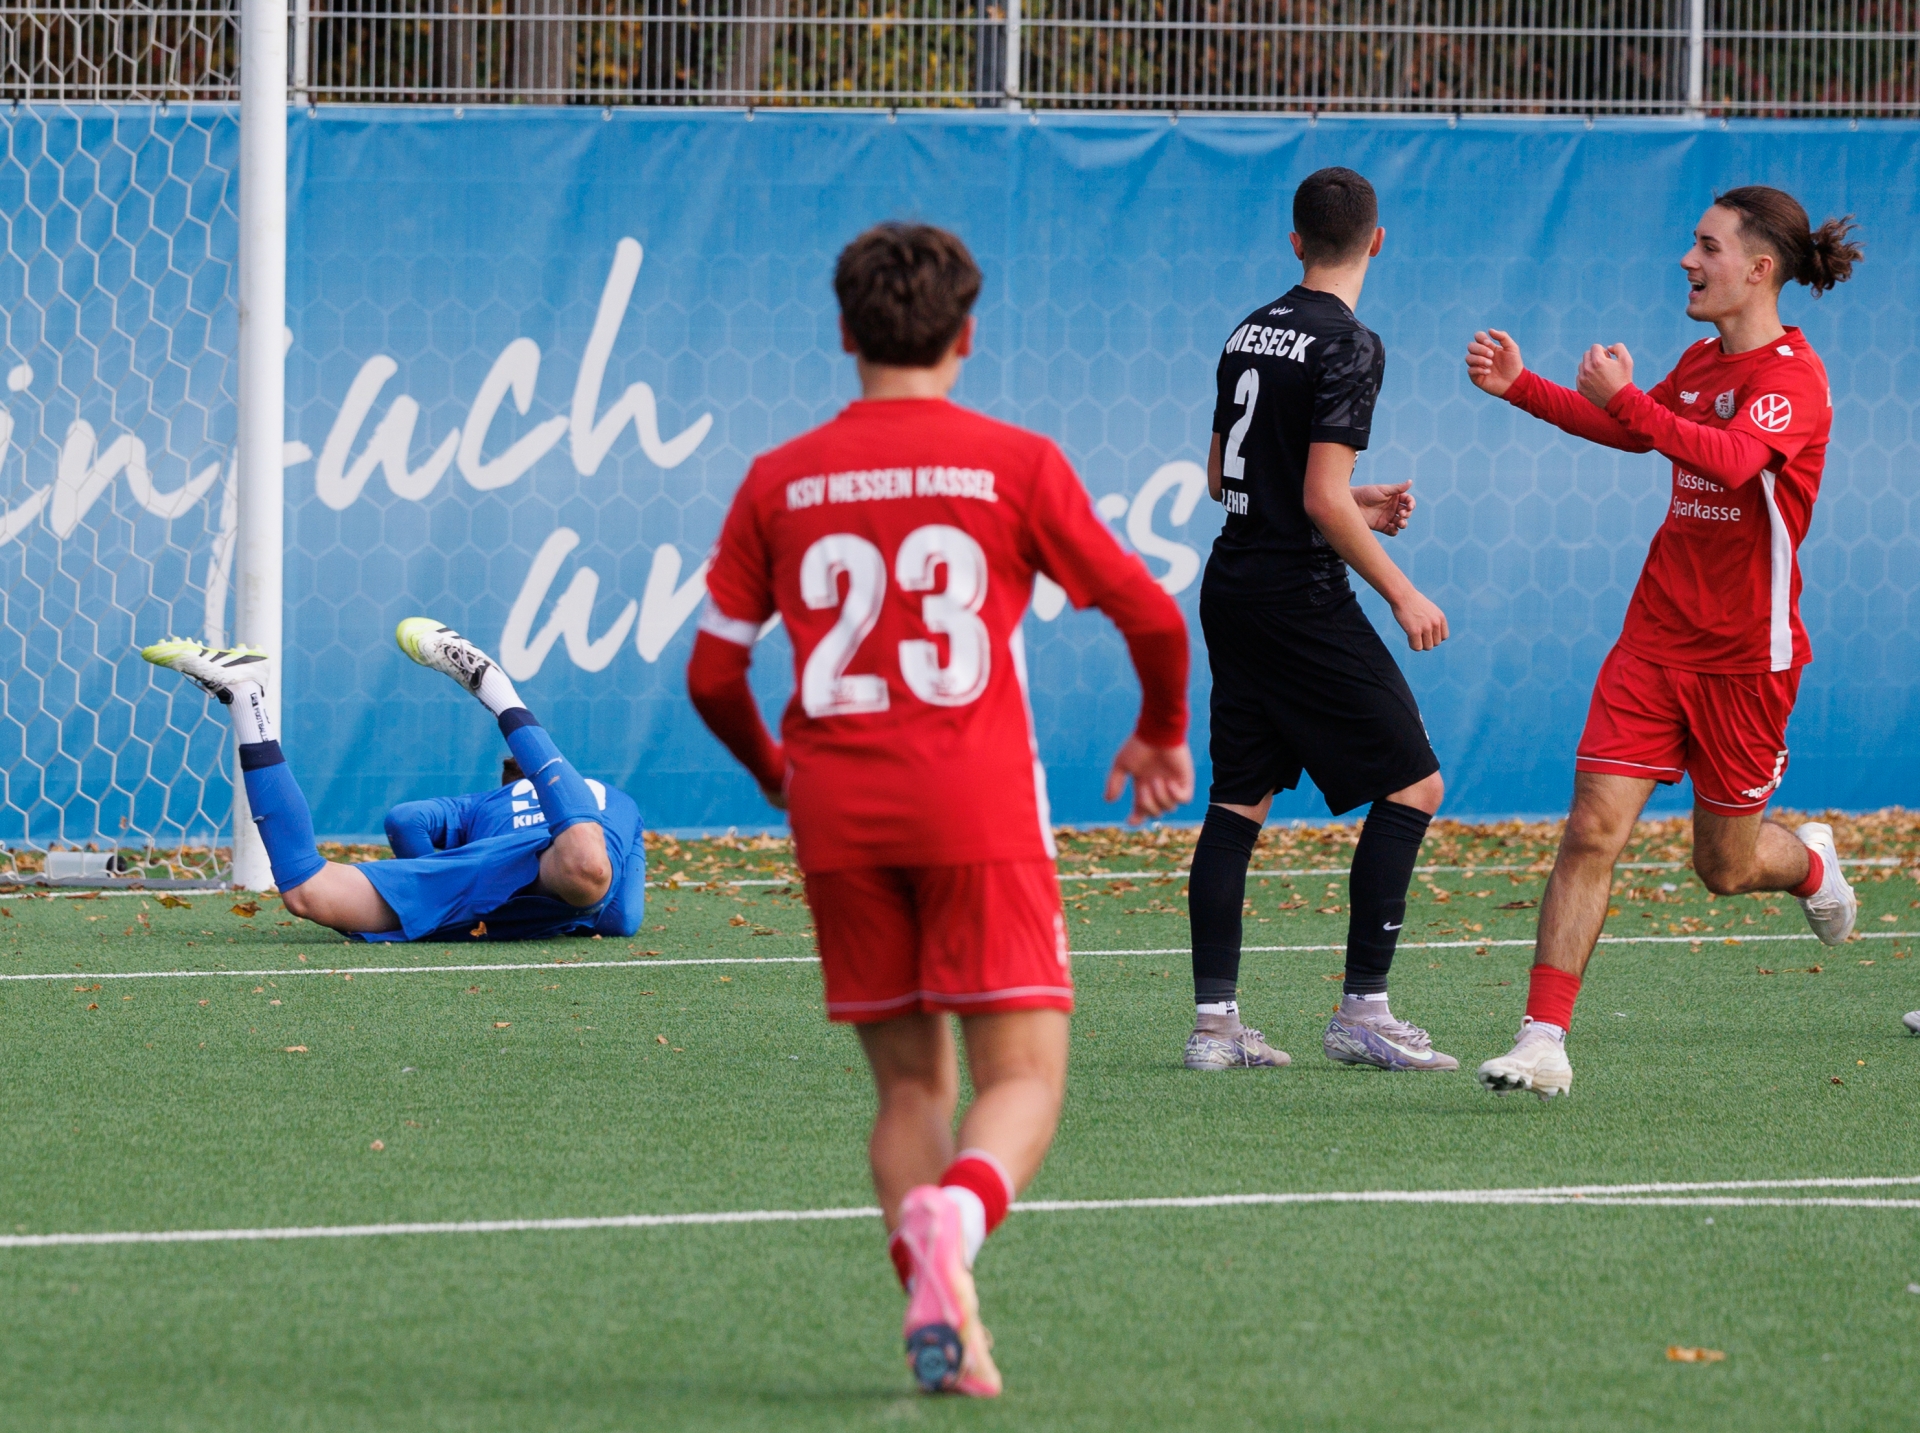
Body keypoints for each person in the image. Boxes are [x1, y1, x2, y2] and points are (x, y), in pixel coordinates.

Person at [686, 222, 1193, 1397]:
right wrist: (1162, 729)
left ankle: (954, 1332)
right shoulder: (1014, 462)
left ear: (843, 331)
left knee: (911, 1089)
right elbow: (1155, 618)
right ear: (966, 336)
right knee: (1026, 1077)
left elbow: (712, 675)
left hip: (838, 814)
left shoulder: (779, 477)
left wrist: (776, 773)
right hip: (976, 807)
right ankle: (954, 1223)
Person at [1464, 185, 1864, 1099]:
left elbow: (1729, 459)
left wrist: (1631, 403)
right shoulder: (1701, 362)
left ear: (1758, 269)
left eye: (1707, 246)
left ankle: (1810, 864)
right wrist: (1523, 387)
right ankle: (1542, 1038)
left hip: (1746, 661)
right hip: (1652, 641)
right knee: (1590, 830)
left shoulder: (1793, 379)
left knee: (1724, 867)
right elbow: (1635, 430)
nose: (1688, 259)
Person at [1185, 166, 1456, 1076]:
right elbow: (1316, 496)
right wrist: (1401, 590)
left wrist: (1352, 499)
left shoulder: (1248, 329)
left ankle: (1216, 1027)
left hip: (1233, 583)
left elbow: (1223, 476)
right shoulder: (1350, 342)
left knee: (1237, 802)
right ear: (1376, 241)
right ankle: (1362, 1012)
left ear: (1296, 241)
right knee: (1415, 785)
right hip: (1298, 596)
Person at [140, 623, 643, 941]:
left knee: (307, 893)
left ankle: (246, 697)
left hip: (489, 878)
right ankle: (490, 683)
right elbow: (623, 919)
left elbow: (406, 820)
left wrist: (431, 875)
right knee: (585, 870)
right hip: (546, 877)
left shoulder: (483, 804)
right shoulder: (614, 801)